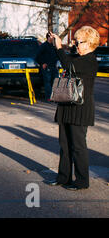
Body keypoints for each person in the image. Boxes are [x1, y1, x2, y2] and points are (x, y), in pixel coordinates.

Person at [46, 27, 100, 191]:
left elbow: (69, 64)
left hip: (80, 109)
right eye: (75, 42)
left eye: (79, 42)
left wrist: (60, 47)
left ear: (89, 43)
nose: (76, 45)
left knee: (78, 146)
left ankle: (82, 181)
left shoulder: (90, 60)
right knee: (64, 144)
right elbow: (64, 59)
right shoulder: (77, 57)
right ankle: (63, 177)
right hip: (67, 105)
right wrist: (53, 45)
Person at [35, 33, 59, 101]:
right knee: (47, 83)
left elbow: (57, 56)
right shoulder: (43, 46)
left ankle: (55, 97)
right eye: (52, 37)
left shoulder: (54, 46)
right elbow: (37, 57)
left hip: (54, 67)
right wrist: (42, 63)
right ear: (48, 37)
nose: (53, 38)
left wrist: (57, 64)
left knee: (55, 82)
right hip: (47, 68)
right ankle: (48, 97)